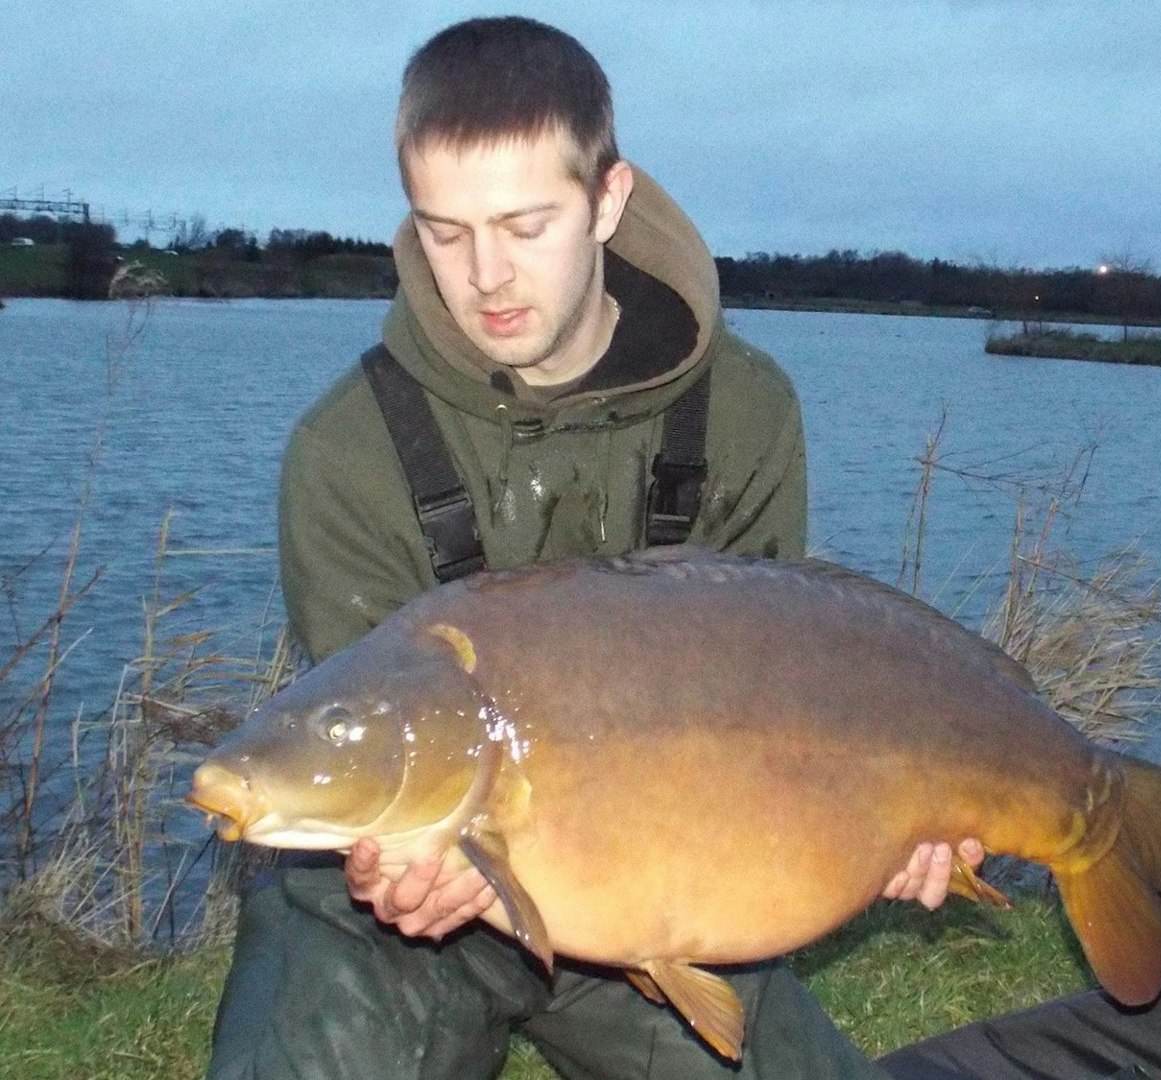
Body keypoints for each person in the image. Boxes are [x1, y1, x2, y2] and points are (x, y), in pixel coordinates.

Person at [207, 16, 981, 1079]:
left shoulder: (744, 410)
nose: (485, 275)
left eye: (526, 225)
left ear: (608, 200)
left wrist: (892, 818)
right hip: (399, 913)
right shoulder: (346, 451)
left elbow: (786, 705)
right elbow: (366, 728)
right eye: (444, 230)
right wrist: (401, 869)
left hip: (665, 882)